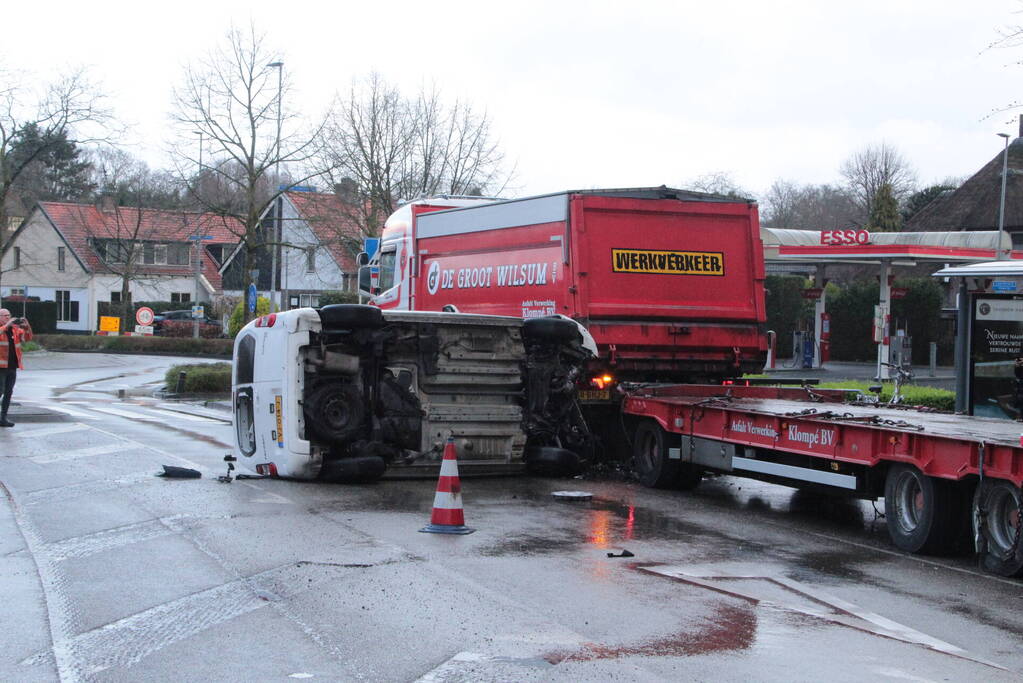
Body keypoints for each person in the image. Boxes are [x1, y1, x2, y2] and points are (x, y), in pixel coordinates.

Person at [0, 309, 32, 428]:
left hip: (12, 366)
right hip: (0, 367)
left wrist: (27, 326)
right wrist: (6, 325)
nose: (8, 318)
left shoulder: (14, 330)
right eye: (5, 316)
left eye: (9, 315)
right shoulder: (3, 329)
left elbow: (27, 338)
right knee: (0, 391)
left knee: (8, 393)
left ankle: (3, 418)